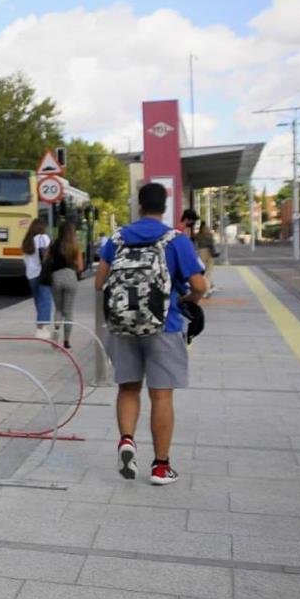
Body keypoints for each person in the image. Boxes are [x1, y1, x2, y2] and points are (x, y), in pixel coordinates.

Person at [96, 182, 207, 486]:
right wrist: (188, 302)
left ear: (139, 205)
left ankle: (127, 441)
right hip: (164, 327)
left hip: (122, 327)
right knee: (161, 396)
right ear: (165, 205)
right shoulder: (176, 240)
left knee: (128, 389)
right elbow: (199, 286)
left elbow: (99, 283)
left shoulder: (116, 239)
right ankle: (160, 467)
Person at [48, 221, 85, 349]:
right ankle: (67, 341)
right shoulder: (76, 246)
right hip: (70, 277)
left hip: (56, 277)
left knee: (58, 309)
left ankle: (56, 335)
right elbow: (80, 267)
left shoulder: (53, 244)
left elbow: (46, 260)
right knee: (68, 311)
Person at [20, 218, 53, 339]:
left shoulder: (27, 240)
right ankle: (41, 329)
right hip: (43, 273)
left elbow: (25, 259)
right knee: (46, 300)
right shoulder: (43, 238)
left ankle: (41, 327)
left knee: (38, 301)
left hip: (31, 274)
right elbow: (48, 255)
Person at [195, 222, 217, 294]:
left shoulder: (198, 236)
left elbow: (196, 245)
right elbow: (212, 245)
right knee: (208, 272)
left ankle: (205, 287)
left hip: (201, 252)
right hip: (209, 253)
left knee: (203, 271)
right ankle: (207, 289)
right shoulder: (209, 235)